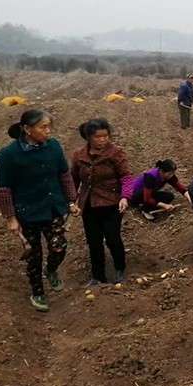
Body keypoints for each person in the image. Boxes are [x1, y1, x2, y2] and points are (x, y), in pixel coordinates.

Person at [0, 109, 80, 311]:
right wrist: (10, 218)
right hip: (27, 211)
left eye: (49, 126)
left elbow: (64, 174)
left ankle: (50, 270)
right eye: (43, 127)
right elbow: (2, 188)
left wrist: (71, 200)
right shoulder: (9, 154)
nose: (48, 131)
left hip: (52, 207)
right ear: (27, 129)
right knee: (34, 255)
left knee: (59, 247)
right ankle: (38, 292)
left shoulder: (53, 146)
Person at [72, 119, 134, 286]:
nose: (102, 140)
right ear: (88, 137)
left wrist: (125, 197)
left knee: (112, 237)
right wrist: (71, 201)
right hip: (89, 204)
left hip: (112, 203)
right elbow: (74, 179)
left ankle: (119, 267)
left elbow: (126, 176)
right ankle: (98, 276)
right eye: (98, 137)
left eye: (105, 136)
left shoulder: (115, 153)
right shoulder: (79, 155)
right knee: (94, 240)